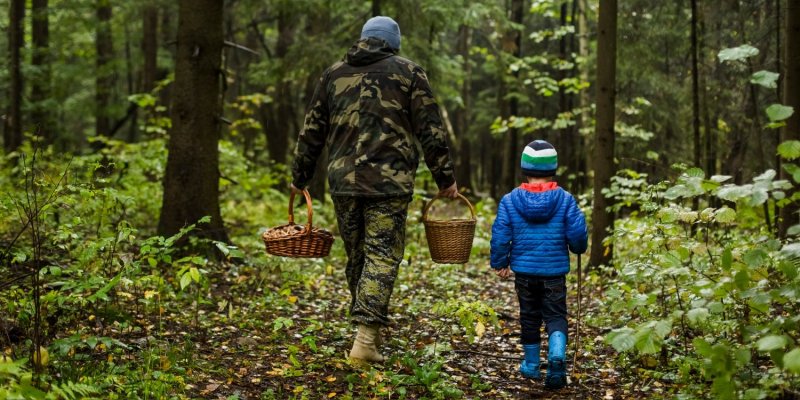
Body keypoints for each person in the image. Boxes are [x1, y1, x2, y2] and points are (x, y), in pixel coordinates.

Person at [291, 16, 458, 363]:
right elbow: (431, 129)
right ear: (393, 42)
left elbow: (311, 131)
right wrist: (446, 178)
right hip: (389, 183)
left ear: (364, 39)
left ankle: (366, 329)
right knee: (381, 256)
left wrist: (300, 176)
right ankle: (365, 340)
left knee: (359, 257)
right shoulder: (410, 73)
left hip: (343, 183)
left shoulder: (333, 74)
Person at [489, 140, 587, 389]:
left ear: (525, 168)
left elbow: (501, 234)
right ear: (553, 168)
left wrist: (500, 262)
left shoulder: (510, 200)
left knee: (529, 317)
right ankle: (556, 357)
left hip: (524, 272)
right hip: (554, 272)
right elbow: (577, 235)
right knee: (555, 315)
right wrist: (577, 247)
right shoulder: (565, 199)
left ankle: (531, 365)